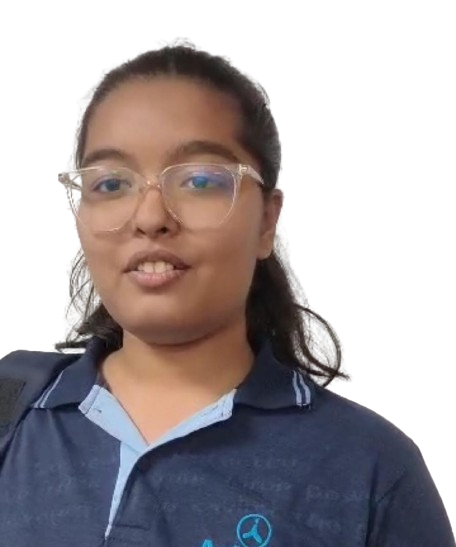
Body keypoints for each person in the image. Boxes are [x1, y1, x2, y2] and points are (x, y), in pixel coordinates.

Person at [0, 38, 453, 547]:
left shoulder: (370, 470)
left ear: (268, 220)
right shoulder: (11, 412)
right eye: (110, 184)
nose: (150, 217)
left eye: (199, 180)